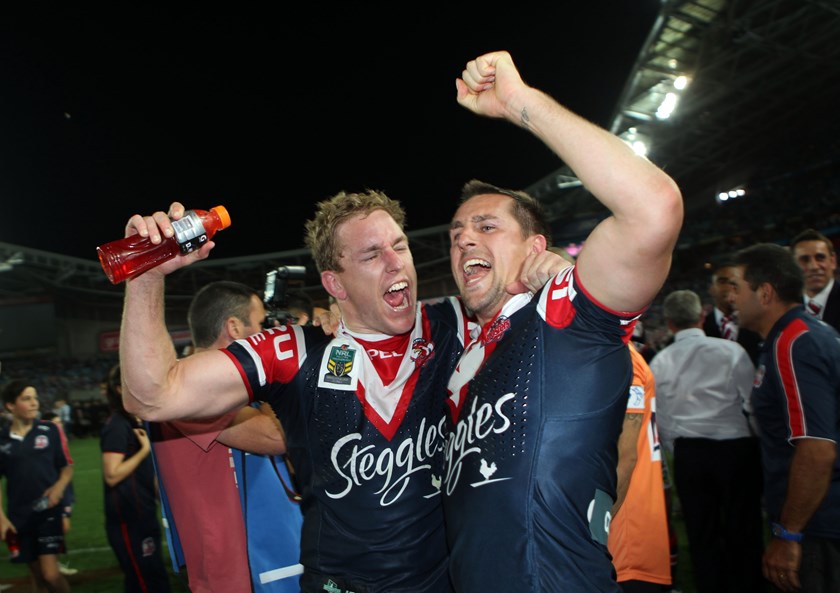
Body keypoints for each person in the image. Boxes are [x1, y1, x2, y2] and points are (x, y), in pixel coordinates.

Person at [440, 50, 683, 592]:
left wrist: (520, 103)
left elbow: (654, 209)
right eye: (456, 234)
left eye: (486, 226)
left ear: (535, 247)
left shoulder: (561, 316)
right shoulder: (464, 355)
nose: (464, 240)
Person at [148, 280, 301, 593]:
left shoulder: (227, 385)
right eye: (261, 325)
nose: (267, 336)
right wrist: (276, 366)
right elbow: (275, 436)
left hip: (255, 558)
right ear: (234, 327)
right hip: (233, 568)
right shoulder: (188, 387)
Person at [729, 243, 840, 593]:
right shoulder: (803, 334)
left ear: (764, 293)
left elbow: (817, 449)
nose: (731, 298)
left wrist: (789, 533)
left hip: (818, 527)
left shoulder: (793, 342)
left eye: (737, 287)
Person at [649, 289, 765, 593]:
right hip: (736, 449)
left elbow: (662, 418)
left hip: (691, 453)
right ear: (701, 315)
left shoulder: (661, 361)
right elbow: (751, 404)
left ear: (669, 322)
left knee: (701, 532)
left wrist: (681, 449)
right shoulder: (731, 351)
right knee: (745, 529)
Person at [100, 364, 171, 593]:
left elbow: (150, 471)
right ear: (120, 389)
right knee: (143, 581)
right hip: (128, 520)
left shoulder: (139, 421)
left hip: (145, 513)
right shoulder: (117, 425)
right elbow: (112, 475)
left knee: (155, 577)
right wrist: (143, 450)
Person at [608, 344, 672, 592]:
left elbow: (625, 456)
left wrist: (594, 528)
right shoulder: (614, 351)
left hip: (623, 534)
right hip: (626, 529)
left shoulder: (618, 356)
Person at [0, 380, 73, 593]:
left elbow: (66, 468)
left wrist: (59, 487)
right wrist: (2, 518)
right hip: (19, 516)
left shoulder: (49, 430)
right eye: (26, 399)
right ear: (10, 406)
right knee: (38, 576)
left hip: (49, 511)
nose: (34, 403)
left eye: (35, 398)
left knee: (51, 574)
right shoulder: (2, 439)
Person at [702, 259, 763, 366]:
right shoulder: (701, 328)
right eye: (722, 281)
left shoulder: (758, 323)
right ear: (711, 289)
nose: (729, 287)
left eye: (734, 282)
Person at [41, 411, 79, 578]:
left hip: (65, 488)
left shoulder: (61, 439)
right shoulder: (46, 443)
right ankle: (52, 563)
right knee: (61, 526)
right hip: (55, 490)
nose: (60, 425)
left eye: (60, 422)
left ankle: (52, 562)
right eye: (55, 423)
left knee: (62, 527)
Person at [789, 228, 840, 331]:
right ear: (792, 266)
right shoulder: (787, 309)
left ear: (833, 261)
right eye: (804, 260)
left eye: (820, 258)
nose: (813, 266)